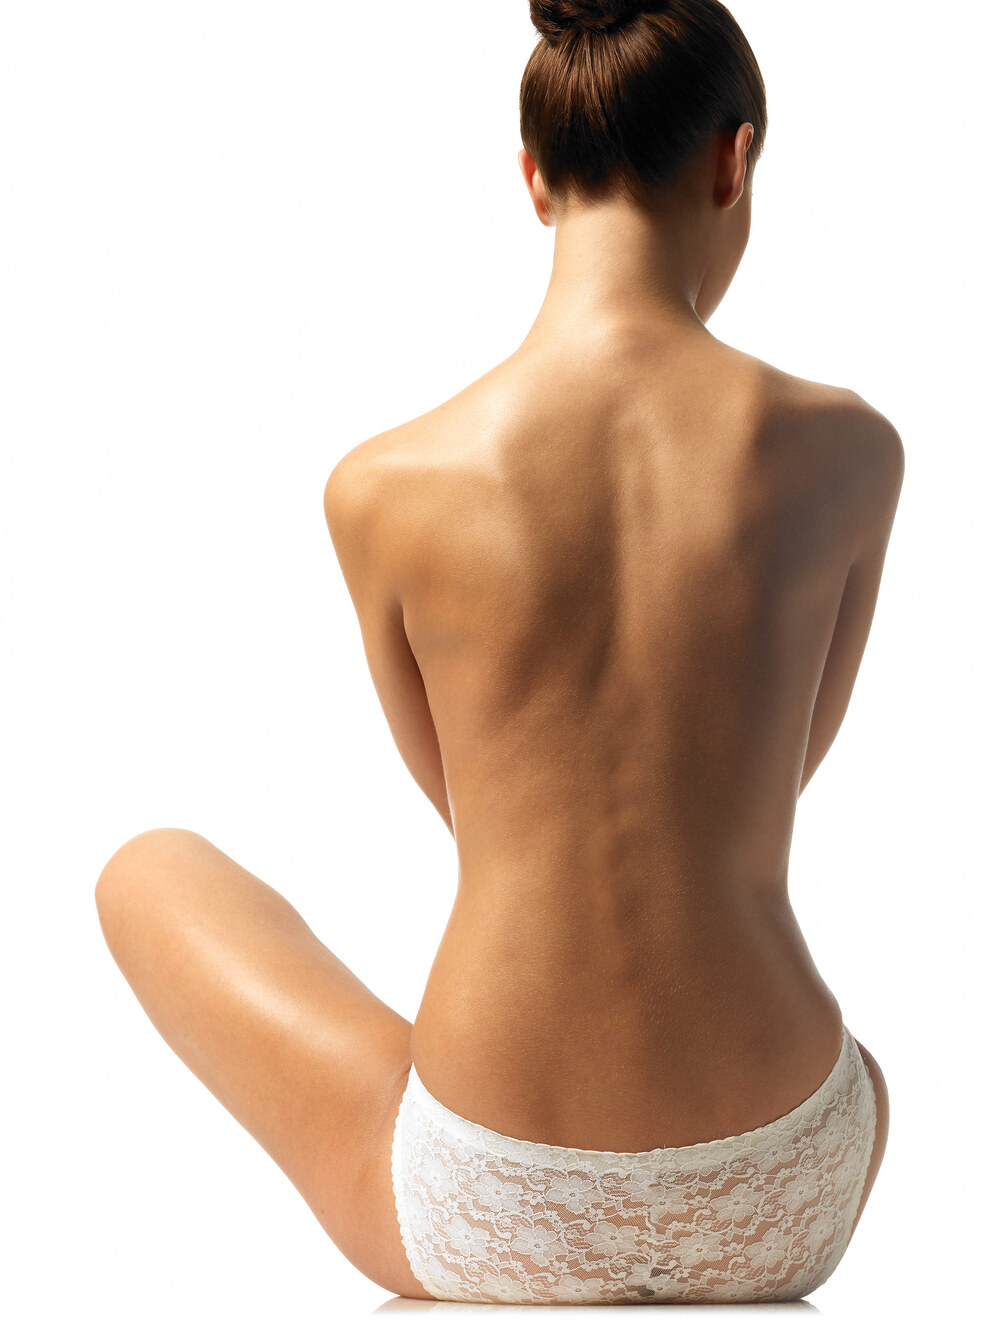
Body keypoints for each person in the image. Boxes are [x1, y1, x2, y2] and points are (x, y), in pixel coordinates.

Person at [94, 0, 903, 1306]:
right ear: (735, 159)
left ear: (533, 176)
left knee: (146, 869)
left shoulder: (383, 487)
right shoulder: (851, 454)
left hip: (495, 1189)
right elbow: (770, 776)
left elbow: (474, 810)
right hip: (787, 1180)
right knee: (858, 1072)